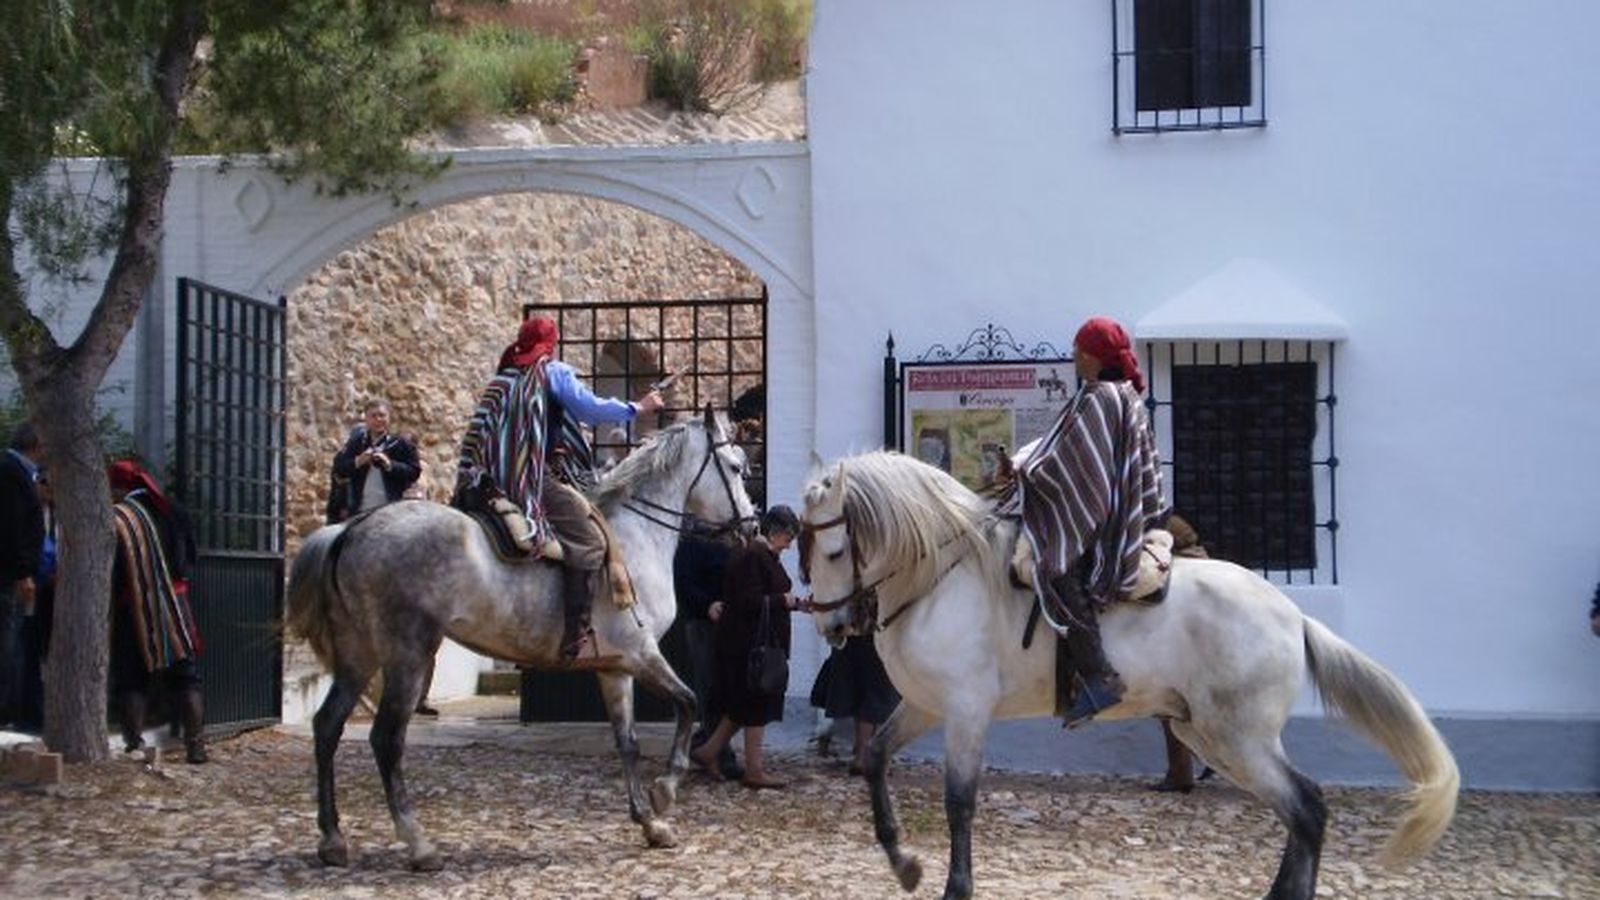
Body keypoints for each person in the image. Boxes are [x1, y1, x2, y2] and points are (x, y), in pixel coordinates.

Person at [456, 316, 664, 659]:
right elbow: (589, 409)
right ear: (550, 344)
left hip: (489, 481)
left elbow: (476, 436)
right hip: (535, 481)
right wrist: (638, 407)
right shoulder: (553, 373)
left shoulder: (499, 380)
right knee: (591, 543)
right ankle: (573, 634)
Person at [1017, 316, 1164, 728]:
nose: (1073, 356)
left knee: (1056, 564)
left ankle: (1099, 674)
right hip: (1121, 507)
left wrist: (1027, 474)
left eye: (1077, 349)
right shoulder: (1125, 394)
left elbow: (1075, 464)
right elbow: (1064, 447)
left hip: (1108, 518)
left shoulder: (1099, 397)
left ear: (1091, 355)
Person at [690, 505, 803, 789]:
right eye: (788, 539)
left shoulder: (762, 555)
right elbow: (748, 601)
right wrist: (783, 601)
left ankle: (707, 751)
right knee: (755, 707)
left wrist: (799, 605)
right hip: (748, 646)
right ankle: (754, 770)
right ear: (776, 532)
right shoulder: (753, 556)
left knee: (740, 708)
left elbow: (765, 595)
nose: (789, 546)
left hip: (751, 643)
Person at [108, 460, 208, 763]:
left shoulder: (118, 517)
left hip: (134, 608)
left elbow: (112, 570)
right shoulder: (174, 511)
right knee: (186, 677)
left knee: (132, 677)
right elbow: (191, 558)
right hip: (176, 603)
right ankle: (195, 744)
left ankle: (135, 744)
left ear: (120, 488)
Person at [672, 516, 742, 779]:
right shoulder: (691, 543)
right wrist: (707, 605)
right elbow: (684, 582)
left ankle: (706, 747)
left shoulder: (730, 541)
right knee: (709, 687)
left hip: (731, 625)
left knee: (726, 689)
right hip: (703, 625)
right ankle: (719, 755)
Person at [0, 423, 45, 728]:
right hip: (9, 576)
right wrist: (23, 572)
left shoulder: (17, 472)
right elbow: (12, 526)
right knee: (8, 644)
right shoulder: (11, 473)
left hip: (14, 573)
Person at [821, 634, 901, 776]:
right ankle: (864, 758)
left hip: (850, 638)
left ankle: (861, 753)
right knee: (875, 695)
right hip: (873, 637)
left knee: (861, 693)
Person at [333, 400, 421, 517]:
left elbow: (414, 471)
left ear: (389, 418)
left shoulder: (401, 444)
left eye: (382, 415)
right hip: (359, 510)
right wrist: (359, 461)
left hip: (393, 511)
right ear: (366, 419)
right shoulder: (356, 443)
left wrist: (389, 465)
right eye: (373, 416)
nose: (378, 420)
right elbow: (339, 468)